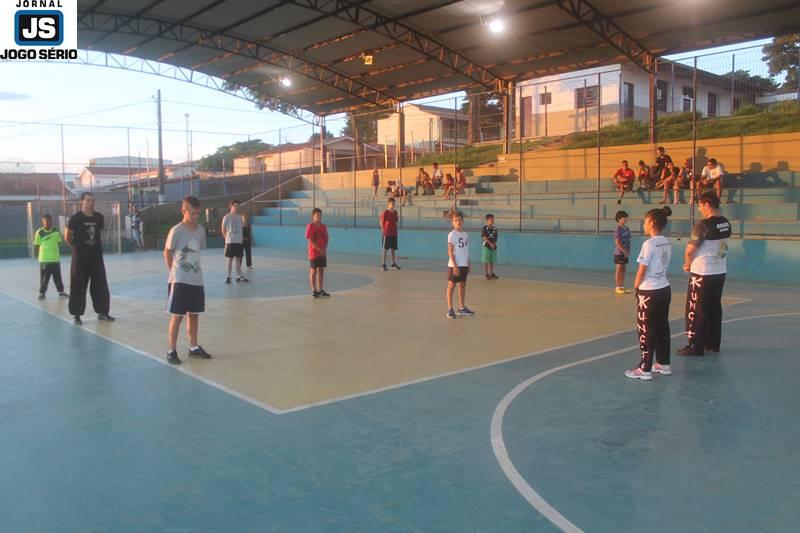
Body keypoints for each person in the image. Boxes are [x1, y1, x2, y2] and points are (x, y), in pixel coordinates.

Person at [677, 191, 731, 356]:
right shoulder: (726, 223)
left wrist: (687, 265)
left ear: (707, 205)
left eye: (700, 205)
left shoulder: (702, 225)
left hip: (702, 272)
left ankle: (696, 345)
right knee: (714, 307)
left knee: (697, 309)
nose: (699, 208)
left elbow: (689, 251)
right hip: (719, 271)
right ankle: (713, 343)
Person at [625, 206, 673, 381]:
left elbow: (641, 270)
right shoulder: (667, 242)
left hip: (649, 291)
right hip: (664, 289)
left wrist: (636, 287)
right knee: (662, 327)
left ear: (652, 223)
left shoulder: (649, 244)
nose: (644, 225)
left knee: (646, 328)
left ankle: (645, 368)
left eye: (645, 222)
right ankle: (663, 363)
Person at [164, 196, 212, 365]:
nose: (195, 216)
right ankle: (171, 350)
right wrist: (174, 273)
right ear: (183, 211)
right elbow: (167, 252)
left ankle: (193, 348)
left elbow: (197, 253)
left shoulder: (200, 231)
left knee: (194, 314)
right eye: (193, 213)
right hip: (180, 280)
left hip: (196, 280)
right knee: (177, 316)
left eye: (198, 213)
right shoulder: (176, 230)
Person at [67, 192, 114, 325]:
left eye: (93, 200)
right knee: (78, 285)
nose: (91, 203)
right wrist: (78, 249)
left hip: (96, 257)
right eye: (88, 200)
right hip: (80, 258)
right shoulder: (75, 218)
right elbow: (67, 237)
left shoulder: (99, 217)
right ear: (82, 202)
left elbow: (99, 234)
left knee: (100, 284)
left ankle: (103, 312)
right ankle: (76, 314)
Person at [445, 211, 475, 319]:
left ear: (463, 221)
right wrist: (455, 266)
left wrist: (468, 263)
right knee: (451, 285)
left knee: (462, 285)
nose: (458, 222)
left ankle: (462, 308)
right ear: (452, 222)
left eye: (460, 220)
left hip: (464, 264)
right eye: (456, 220)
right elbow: (450, 251)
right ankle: (450, 309)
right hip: (454, 265)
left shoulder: (465, 235)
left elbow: (466, 250)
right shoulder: (452, 234)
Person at [34, 214, 68, 300]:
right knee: (44, 278)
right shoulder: (39, 232)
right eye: (46, 221)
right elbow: (37, 245)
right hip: (44, 260)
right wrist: (37, 256)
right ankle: (42, 293)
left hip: (55, 259)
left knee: (57, 277)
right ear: (43, 222)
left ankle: (61, 292)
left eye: (50, 221)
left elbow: (58, 243)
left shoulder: (56, 232)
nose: (48, 223)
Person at [221, 200, 248, 284]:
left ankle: (239, 276)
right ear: (231, 206)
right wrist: (227, 239)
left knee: (238, 260)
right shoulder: (227, 217)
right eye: (235, 206)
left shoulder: (240, 217)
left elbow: (244, 226)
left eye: (237, 206)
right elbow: (223, 230)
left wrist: (244, 219)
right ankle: (228, 277)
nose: (236, 207)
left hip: (239, 242)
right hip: (230, 242)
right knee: (230, 260)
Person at [306, 207, 330, 298]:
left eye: (320, 216)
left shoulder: (324, 227)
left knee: (321, 270)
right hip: (314, 252)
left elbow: (326, 239)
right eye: (317, 215)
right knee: (313, 270)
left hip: (322, 252)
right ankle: (313, 290)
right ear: (313, 216)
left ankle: (320, 289)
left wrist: (324, 249)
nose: (319, 217)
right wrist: (319, 250)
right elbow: (311, 240)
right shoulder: (310, 226)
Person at [379, 197, 401, 271]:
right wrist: (383, 231)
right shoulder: (385, 212)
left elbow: (395, 222)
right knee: (385, 249)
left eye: (394, 203)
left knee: (393, 249)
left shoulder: (395, 212)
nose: (393, 204)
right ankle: (383, 265)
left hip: (394, 234)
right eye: (392, 203)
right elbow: (381, 222)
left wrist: (396, 231)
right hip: (387, 233)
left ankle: (393, 264)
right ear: (388, 204)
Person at [613, 210, 631, 295]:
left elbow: (628, 240)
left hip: (625, 252)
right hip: (619, 253)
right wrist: (623, 251)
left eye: (626, 217)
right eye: (624, 217)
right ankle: (617, 287)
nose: (626, 219)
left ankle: (622, 286)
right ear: (619, 219)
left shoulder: (627, 228)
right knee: (619, 269)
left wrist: (628, 251)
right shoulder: (618, 229)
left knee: (624, 269)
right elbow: (617, 242)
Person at [481, 214, 499, 280]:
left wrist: (494, 244)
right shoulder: (485, 228)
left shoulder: (495, 229)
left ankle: (491, 273)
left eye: (493, 219)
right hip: (486, 246)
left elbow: (496, 237)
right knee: (486, 260)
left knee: (492, 261)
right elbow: (484, 237)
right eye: (491, 219)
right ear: (487, 220)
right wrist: (490, 243)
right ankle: (486, 274)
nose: (493, 220)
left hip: (493, 247)